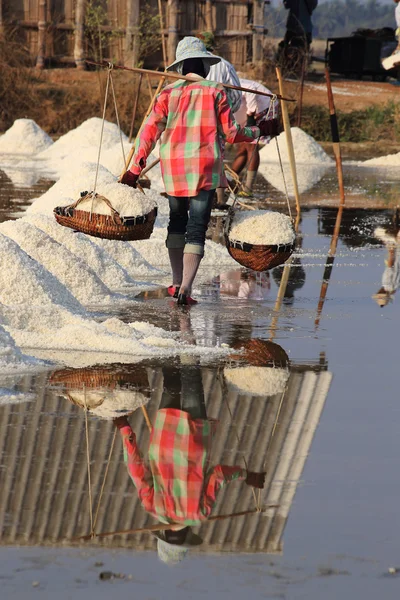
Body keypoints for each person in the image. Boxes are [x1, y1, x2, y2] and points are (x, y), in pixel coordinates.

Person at [120, 37, 280, 306]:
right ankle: (186, 289)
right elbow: (231, 133)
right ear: (204, 67)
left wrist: (134, 168)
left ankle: (175, 282)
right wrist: (260, 130)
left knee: (177, 222)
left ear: (182, 68)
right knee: (196, 228)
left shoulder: (167, 94)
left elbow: (149, 132)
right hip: (204, 166)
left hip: (174, 168)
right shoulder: (215, 91)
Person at [114, 364, 266, 565]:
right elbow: (135, 469)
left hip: (193, 438)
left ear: (187, 535)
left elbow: (218, 474)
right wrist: (126, 431)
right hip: (164, 437)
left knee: (192, 378)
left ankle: (185, 335)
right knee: (171, 384)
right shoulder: (153, 507)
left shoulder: (198, 513)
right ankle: (171, 336)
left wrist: (247, 475)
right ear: (164, 535)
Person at [199, 31, 242, 208]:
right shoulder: (224, 65)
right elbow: (237, 95)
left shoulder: (185, 65)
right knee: (216, 157)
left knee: (188, 156)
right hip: (216, 120)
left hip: (187, 120)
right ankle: (218, 199)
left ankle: (190, 197)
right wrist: (227, 111)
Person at [230, 78, 279, 198]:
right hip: (248, 112)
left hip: (263, 107)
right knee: (242, 148)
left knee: (251, 146)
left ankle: (248, 189)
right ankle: (229, 184)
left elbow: (251, 89)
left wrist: (251, 115)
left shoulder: (235, 83)